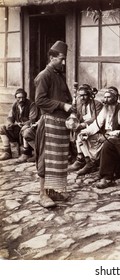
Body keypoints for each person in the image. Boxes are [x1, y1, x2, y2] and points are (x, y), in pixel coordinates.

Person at [34, 40, 75, 208]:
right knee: (46, 159)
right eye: (60, 59)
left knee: (58, 159)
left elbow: (65, 97)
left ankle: (53, 191)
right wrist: (62, 105)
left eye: (64, 59)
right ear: (51, 58)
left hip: (60, 125)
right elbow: (40, 100)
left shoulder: (58, 75)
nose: (63, 62)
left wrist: (71, 111)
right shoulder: (45, 75)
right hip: (49, 124)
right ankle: (43, 194)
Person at [74, 87, 120, 176]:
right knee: (81, 136)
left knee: (109, 143)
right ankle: (90, 163)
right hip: (105, 135)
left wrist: (107, 136)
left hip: (117, 137)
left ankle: (107, 172)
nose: (106, 100)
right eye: (105, 97)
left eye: (109, 97)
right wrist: (86, 131)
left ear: (115, 98)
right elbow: (97, 123)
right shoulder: (105, 108)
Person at [67, 84, 103, 175]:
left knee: (81, 133)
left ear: (90, 95)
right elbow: (77, 117)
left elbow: (96, 119)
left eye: (84, 95)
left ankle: (88, 163)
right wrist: (73, 120)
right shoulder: (80, 105)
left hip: (96, 129)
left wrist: (83, 125)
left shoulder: (96, 104)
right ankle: (80, 159)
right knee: (74, 130)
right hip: (85, 128)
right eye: (80, 95)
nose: (82, 98)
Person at [0, 88, 39, 161]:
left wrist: (23, 124)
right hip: (18, 127)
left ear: (25, 97)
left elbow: (32, 119)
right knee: (2, 128)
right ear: (15, 98)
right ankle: (7, 152)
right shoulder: (15, 105)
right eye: (18, 98)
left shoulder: (31, 105)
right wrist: (10, 123)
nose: (21, 100)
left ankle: (26, 153)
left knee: (25, 130)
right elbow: (10, 117)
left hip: (30, 127)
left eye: (22, 97)